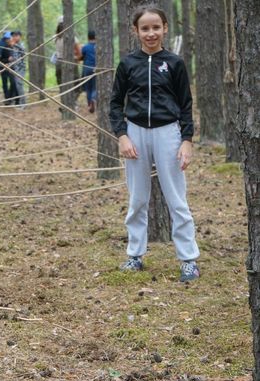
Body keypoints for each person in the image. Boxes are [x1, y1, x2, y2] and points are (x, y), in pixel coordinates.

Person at [109, 6, 200, 282]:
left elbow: (185, 104)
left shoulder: (174, 63)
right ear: (135, 31)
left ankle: (188, 260)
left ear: (165, 28)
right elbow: (115, 103)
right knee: (137, 199)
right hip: (136, 133)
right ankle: (135, 255)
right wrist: (122, 135)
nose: (151, 33)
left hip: (168, 133)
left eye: (156, 27)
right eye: (145, 28)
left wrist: (186, 140)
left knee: (176, 199)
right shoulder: (127, 64)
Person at [54, 19, 82, 109]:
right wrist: (77, 59)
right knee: (77, 84)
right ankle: (72, 102)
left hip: (59, 62)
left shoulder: (55, 37)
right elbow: (79, 51)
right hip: (70, 62)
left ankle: (64, 104)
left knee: (62, 85)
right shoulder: (72, 37)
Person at [0, 31, 16, 105]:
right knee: (5, 83)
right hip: (4, 67)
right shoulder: (3, 47)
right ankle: (7, 99)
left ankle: (11, 98)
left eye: (10, 39)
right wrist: (7, 60)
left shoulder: (15, 48)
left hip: (12, 68)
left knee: (13, 83)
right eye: (7, 39)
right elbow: (0, 59)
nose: (8, 40)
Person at [80, 30, 97, 113]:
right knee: (95, 87)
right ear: (96, 37)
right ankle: (94, 99)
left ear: (88, 37)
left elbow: (81, 57)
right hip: (96, 69)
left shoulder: (85, 47)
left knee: (88, 88)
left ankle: (90, 104)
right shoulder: (98, 47)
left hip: (87, 69)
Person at [10, 31, 26, 108]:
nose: (14, 37)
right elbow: (15, 57)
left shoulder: (21, 44)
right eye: (13, 36)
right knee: (17, 86)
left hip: (21, 68)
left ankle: (23, 104)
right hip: (15, 68)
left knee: (20, 85)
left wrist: (15, 45)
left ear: (20, 36)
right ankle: (20, 103)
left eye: (16, 36)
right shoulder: (13, 46)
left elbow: (23, 51)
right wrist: (11, 60)